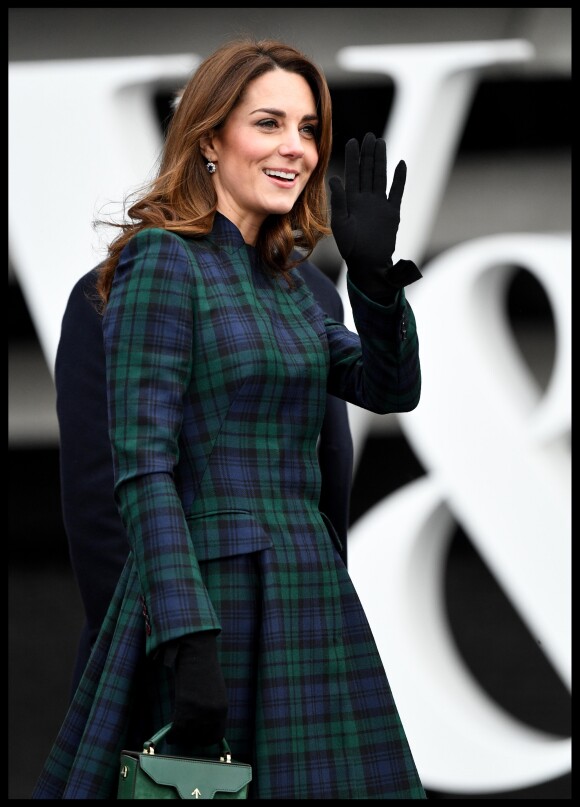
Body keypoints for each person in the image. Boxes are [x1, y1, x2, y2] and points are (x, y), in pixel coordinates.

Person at [33, 37, 424, 799]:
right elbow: (141, 467)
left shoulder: (293, 283)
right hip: (214, 599)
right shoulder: (161, 262)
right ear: (210, 138)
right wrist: (185, 636)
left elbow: (389, 387)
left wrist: (375, 283)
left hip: (308, 593)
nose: (296, 148)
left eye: (309, 129)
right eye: (269, 124)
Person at [56, 255, 353, 699]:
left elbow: (331, 464)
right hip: (168, 648)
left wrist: (327, 621)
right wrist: (164, 649)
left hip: (299, 639)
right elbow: (99, 500)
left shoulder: (315, 289)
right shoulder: (110, 290)